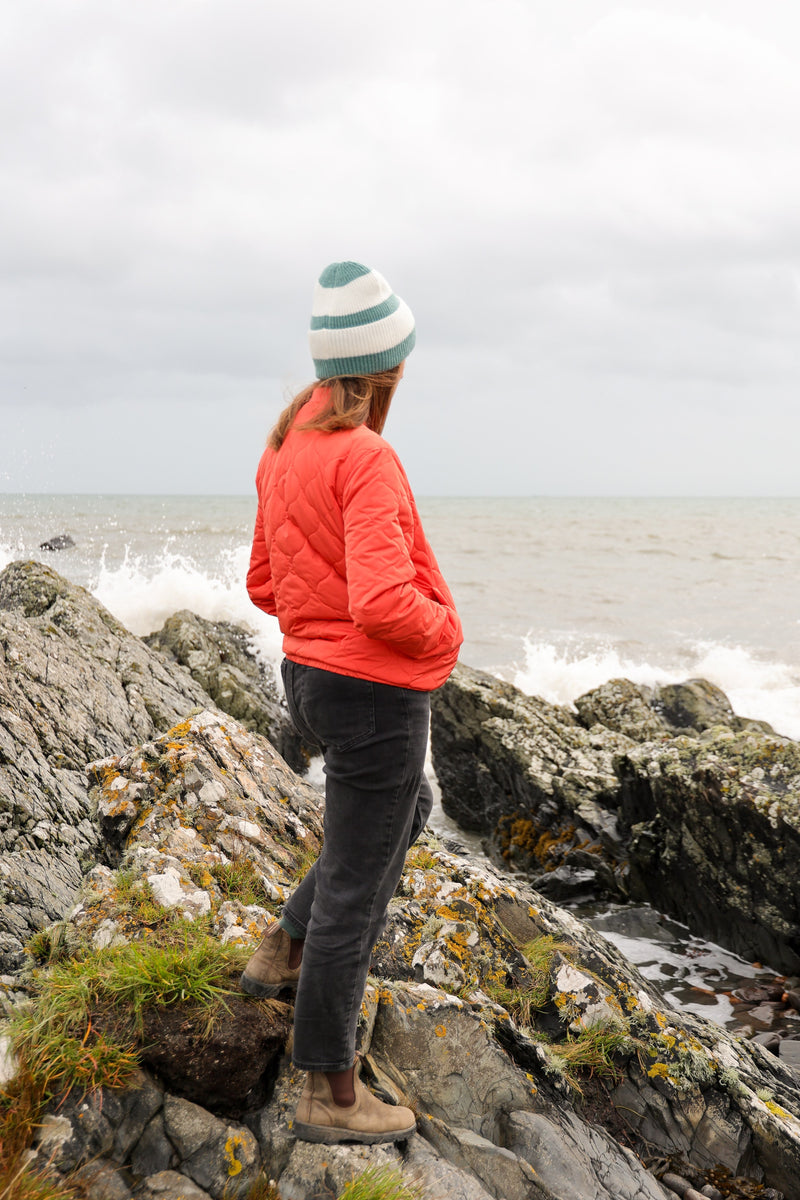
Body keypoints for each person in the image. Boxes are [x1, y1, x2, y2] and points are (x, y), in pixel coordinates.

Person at [242, 261, 463, 1145]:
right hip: (373, 692)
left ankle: (283, 944)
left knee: (406, 808)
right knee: (358, 888)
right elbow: (381, 601)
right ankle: (329, 1095)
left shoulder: (285, 443)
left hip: (310, 679)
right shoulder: (366, 455)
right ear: (388, 367)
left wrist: (321, 621)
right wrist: (445, 635)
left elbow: (262, 583)